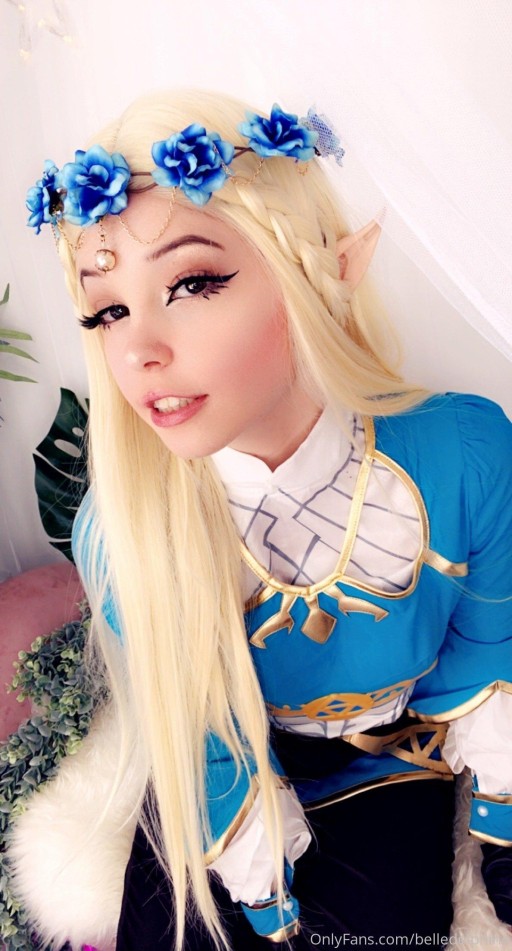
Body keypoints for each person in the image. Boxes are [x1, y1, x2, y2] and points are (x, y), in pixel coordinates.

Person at [9, 89, 512, 950]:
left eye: (191, 283)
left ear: (316, 272)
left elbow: (489, 648)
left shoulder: (464, 453)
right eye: (108, 310)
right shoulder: (122, 525)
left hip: (393, 762)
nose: (138, 351)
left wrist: (499, 823)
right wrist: (262, 893)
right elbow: (203, 732)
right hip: (218, 773)